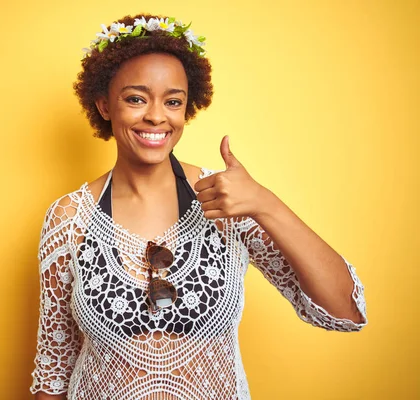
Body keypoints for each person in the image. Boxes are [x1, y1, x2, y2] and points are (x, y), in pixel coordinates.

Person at [30, 14, 367, 400]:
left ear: (187, 109)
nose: (157, 116)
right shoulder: (69, 219)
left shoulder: (230, 202)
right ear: (105, 105)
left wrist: (264, 203)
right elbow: (53, 370)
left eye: (173, 101)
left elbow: (345, 312)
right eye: (136, 98)